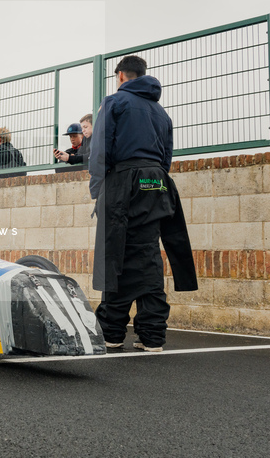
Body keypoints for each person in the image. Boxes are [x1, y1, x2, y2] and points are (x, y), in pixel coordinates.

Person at [89, 54, 196, 353]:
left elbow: (100, 150)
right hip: (158, 182)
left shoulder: (114, 103)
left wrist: (98, 189)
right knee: (148, 252)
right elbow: (167, 157)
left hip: (124, 181)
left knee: (117, 254)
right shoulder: (161, 112)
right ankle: (152, 335)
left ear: (121, 75)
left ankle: (111, 331)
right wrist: (155, 183)